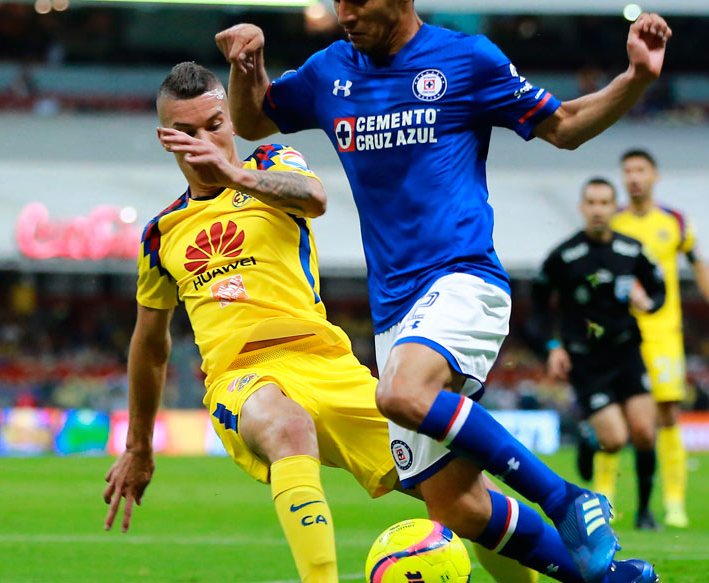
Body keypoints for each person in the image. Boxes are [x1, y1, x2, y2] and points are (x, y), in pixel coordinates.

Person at [218, 0, 669, 579]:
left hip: (462, 278)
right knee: (454, 502)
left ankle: (569, 498)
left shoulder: (466, 60)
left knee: (401, 393)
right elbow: (252, 121)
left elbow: (564, 125)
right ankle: (602, 575)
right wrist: (246, 65)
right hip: (396, 309)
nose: (343, 12)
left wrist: (636, 80)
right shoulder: (329, 72)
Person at [102, 62, 556, 583]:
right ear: (166, 139)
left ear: (231, 120)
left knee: (465, 498)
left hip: (327, 364)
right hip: (242, 378)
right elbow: (149, 345)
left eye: (214, 124)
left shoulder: (272, 162)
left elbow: (314, 199)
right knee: (287, 426)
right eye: (185, 132)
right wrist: (138, 446)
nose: (204, 140)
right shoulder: (161, 234)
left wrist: (236, 176)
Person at [608, 148, 709, 529]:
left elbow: (700, 267)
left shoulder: (675, 221)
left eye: (640, 170)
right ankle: (606, 501)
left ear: (654, 176)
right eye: (627, 170)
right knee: (614, 415)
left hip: (664, 332)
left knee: (666, 414)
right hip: (621, 334)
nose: (633, 177)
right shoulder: (612, 222)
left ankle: (674, 502)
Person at [532, 178, 666, 531]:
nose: (597, 209)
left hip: (626, 352)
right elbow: (538, 307)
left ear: (614, 207)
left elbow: (659, 285)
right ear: (582, 207)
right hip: (586, 360)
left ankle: (645, 512)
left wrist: (649, 302)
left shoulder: (632, 250)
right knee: (615, 440)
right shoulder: (564, 256)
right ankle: (591, 441)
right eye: (591, 202)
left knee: (644, 432)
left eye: (605, 202)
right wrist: (552, 345)